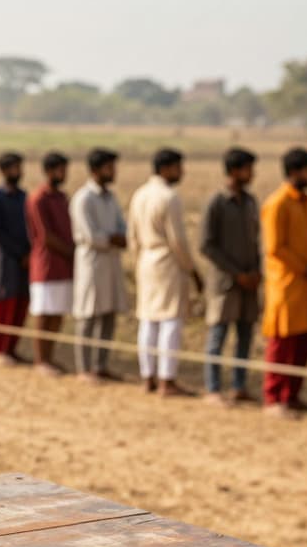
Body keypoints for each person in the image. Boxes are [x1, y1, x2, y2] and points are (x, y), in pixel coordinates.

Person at [127, 148, 202, 396]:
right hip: (167, 263)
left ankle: (147, 376)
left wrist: (138, 261)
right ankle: (166, 380)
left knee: (148, 320)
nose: (182, 172)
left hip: (146, 260)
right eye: (178, 167)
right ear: (166, 168)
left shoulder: (139, 194)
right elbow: (178, 241)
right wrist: (191, 270)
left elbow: (132, 236)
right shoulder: (169, 197)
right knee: (171, 320)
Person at [261, 147, 307, 418]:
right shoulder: (277, 203)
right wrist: (306, 269)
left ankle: (292, 395)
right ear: (294, 172)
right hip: (287, 284)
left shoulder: (304, 202)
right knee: (282, 342)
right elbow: (275, 247)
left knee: (304, 340)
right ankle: (273, 397)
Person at [200, 147, 261, 405]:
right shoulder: (216, 203)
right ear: (235, 171)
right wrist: (237, 274)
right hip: (225, 283)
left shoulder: (250, 202)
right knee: (218, 336)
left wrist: (256, 272)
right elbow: (207, 245)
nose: (252, 174)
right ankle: (213, 388)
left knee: (245, 336)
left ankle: (239, 385)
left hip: (250, 281)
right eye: (248, 168)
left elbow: (255, 240)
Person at [71, 148, 128, 382]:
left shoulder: (110, 197)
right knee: (88, 315)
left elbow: (122, 227)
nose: (113, 172)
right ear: (95, 170)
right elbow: (91, 236)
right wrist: (112, 238)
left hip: (111, 262)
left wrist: (118, 237)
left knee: (108, 315)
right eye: (109, 167)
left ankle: (100, 365)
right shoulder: (83, 198)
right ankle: (84, 368)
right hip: (91, 263)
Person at [25, 151, 73, 374]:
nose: (63, 174)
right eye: (59, 169)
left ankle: (50, 357)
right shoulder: (38, 199)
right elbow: (45, 236)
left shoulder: (62, 198)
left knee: (57, 314)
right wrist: (71, 253)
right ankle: (41, 360)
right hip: (46, 264)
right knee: (43, 314)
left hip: (63, 265)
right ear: (48, 171)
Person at [0, 152, 31, 365]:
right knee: (5, 304)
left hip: (25, 260)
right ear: (4, 171)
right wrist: (19, 253)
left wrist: (29, 253)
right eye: (15, 168)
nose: (19, 172)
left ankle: (12, 348)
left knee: (21, 303)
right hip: (7, 260)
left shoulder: (24, 197)